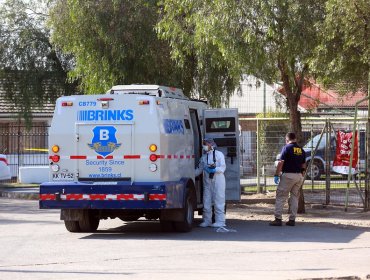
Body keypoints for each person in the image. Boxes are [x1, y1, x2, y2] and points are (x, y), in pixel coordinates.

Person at [270, 132, 306, 226]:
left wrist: (277, 174)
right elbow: (303, 165)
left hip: (288, 175)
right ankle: (292, 220)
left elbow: (281, 162)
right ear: (295, 139)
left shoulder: (286, 148)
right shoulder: (301, 150)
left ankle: (278, 219)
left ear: (287, 139)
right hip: (299, 176)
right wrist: (301, 175)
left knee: (281, 196)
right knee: (294, 197)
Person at [195, 138, 226, 228]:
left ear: (211, 145)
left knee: (219, 201)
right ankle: (207, 221)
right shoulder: (204, 157)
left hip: (218, 180)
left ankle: (220, 221)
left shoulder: (219, 155)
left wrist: (214, 169)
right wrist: (189, 174)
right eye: (204, 144)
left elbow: (222, 168)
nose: (204, 146)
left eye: (206, 144)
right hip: (208, 181)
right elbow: (198, 170)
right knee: (206, 201)